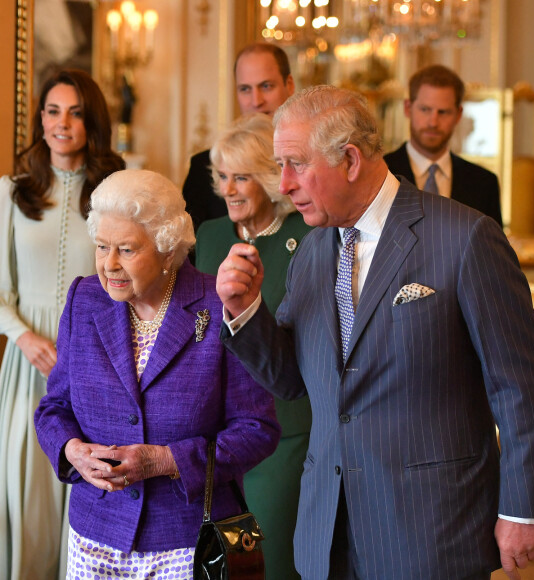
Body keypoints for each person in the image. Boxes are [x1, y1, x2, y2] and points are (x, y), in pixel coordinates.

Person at [215, 86, 534, 580]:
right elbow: (293, 381)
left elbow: (521, 386)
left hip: (431, 532)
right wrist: (245, 312)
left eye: (295, 164)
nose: (283, 184)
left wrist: (523, 509)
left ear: (350, 159)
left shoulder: (466, 238)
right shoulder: (310, 252)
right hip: (326, 532)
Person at [34, 168, 281, 578]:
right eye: (101, 247)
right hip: (95, 538)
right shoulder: (84, 299)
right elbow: (54, 407)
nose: (108, 265)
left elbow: (258, 428)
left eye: (126, 250)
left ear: (168, 249)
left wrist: (167, 460)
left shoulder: (216, 304)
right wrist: (71, 451)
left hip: (187, 543)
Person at [0, 68, 125, 580]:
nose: (61, 123)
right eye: (52, 110)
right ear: (40, 120)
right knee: (23, 492)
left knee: (82, 492)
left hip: (96, 366)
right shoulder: (11, 192)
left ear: (90, 122)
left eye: (75, 112)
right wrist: (23, 336)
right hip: (27, 366)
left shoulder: (113, 196)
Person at [195, 112, 312, 579]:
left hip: (283, 433)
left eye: (242, 176)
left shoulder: (307, 237)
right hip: (217, 437)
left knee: (272, 562)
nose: (229, 189)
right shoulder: (209, 236)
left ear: (269, 176)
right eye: (223, 176)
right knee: (230, 565)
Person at [182, 42, 295, 233]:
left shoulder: (309, 163)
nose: (256, 101)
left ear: (289, 85)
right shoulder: (203, 168)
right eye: (245, 89)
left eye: (266, 86)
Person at [384, 64, 503, 227]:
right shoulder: (381, 173)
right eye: (425, 109)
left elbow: (491, 250)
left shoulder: (484, 183)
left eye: (443, 112)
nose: (433, 122)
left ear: (458, 115)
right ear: (407, 108)